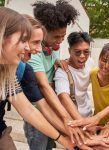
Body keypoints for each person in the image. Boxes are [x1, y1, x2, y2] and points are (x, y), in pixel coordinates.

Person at [0, 7, 73, 150]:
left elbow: (28, 110)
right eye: (23, 40)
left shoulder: (8, 74)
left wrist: (64, 140)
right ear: (3, 38)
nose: (28, 48)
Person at [27, 0, 89, 149]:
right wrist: (66, 118)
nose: (61, 41)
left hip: (52, 108)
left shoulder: (53, 47)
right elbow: (44, 85)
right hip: (38, 111)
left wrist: (58, 62)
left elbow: (51, 72)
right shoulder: (34, 53)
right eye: (57, 37)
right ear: (43, 32)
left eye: (63, 36)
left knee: (50, 145)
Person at [68, 38, 109, 135]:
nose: (105, 66)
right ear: (99, 58)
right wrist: (65, 62)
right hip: (96, 122)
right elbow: (78, 72)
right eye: (103, 60)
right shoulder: (93, 73)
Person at [54, 32, 94, 121]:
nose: (82, 56)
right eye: (77, 52)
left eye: (86, 52)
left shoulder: (90, 62)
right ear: (69, 51)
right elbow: (63, 97)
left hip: (88, 115)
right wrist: (82, 122)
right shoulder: (62, 71)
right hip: (72, 119)